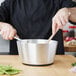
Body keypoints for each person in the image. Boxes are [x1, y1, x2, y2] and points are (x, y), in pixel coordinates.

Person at [0, 0, 76, 55]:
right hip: (20, 58)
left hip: (54, 59)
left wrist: (67, 11)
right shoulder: (11, 2)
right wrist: (3, 25)